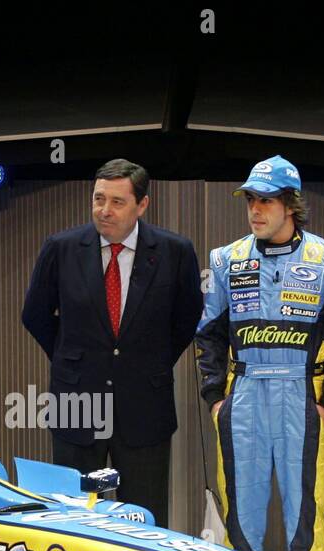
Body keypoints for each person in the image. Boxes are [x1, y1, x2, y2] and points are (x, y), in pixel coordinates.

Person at [195, 155, 324, 551]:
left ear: (290, 203)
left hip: (301, 400)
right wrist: (216, 400)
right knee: (240, 512)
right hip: (244, 395)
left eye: (266, 201)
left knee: (306, 514)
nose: (255, 210)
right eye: (250, 199)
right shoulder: (225, 260)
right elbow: (208, 336)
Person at [22, 158, 203, 526]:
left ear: (142, 205)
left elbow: (186, 319)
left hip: (144, 401)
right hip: (76, 398)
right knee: (73, 517)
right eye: (98, 199)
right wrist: (71, 360)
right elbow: (35, 314)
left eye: (117, 202)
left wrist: (149, 362)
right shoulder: (61, 247)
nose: (104, 211)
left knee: (146, 516)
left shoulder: (174, 251)